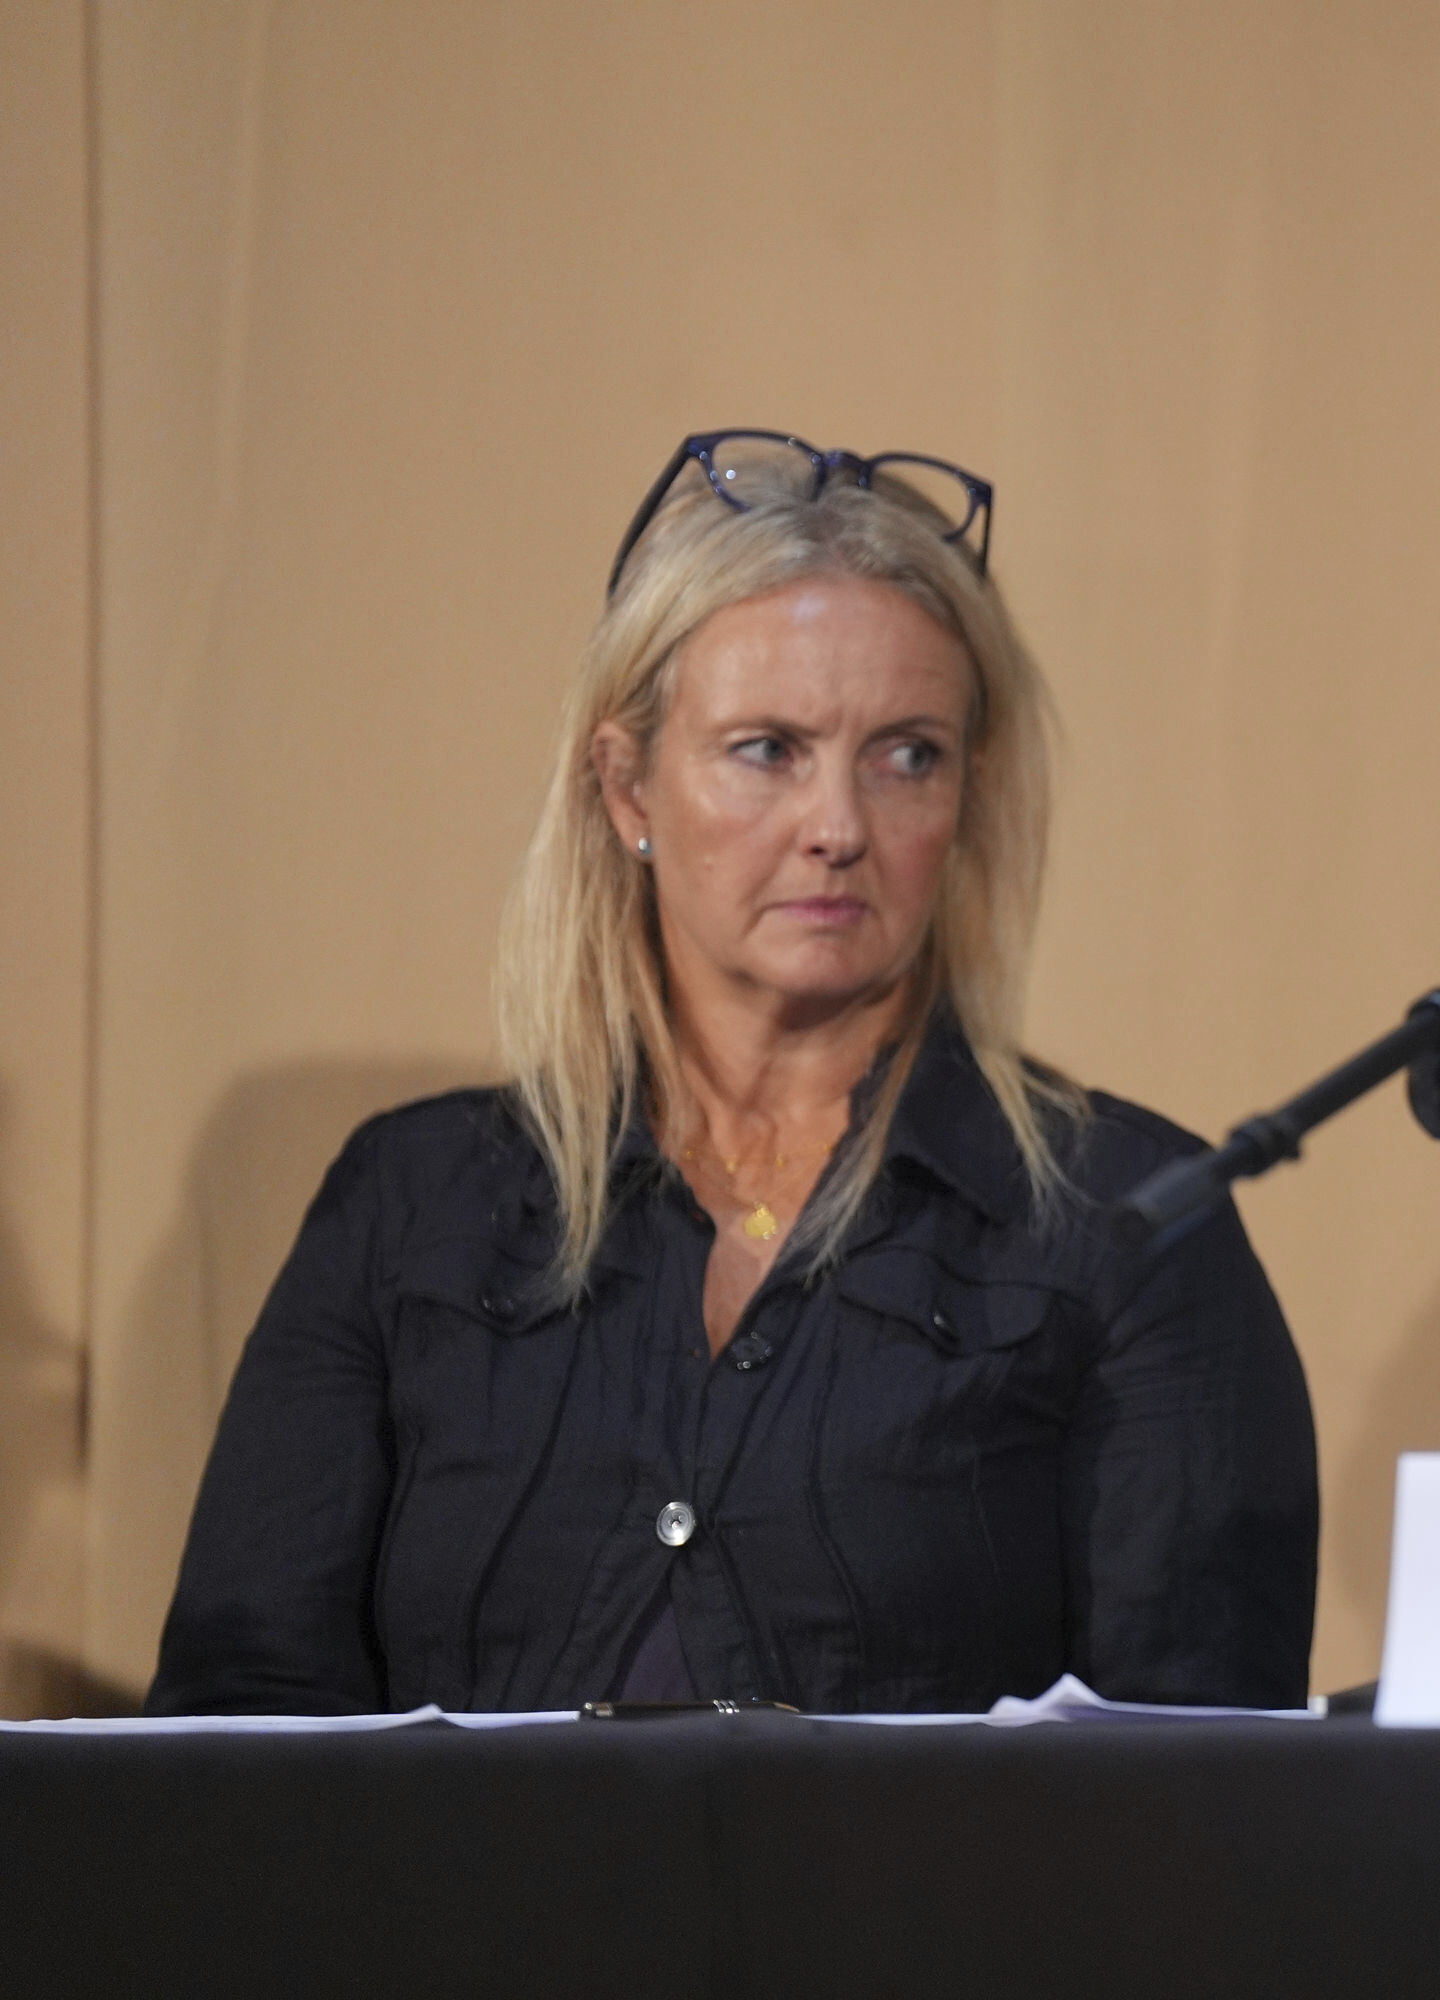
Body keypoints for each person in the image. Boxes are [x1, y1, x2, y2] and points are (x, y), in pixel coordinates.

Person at [148, 432, 1317, 1714]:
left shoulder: (1130, 1218)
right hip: (465, 1921)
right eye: (769, 747)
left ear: (968, 798)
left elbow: (1203, 1788)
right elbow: (236, 1730)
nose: (839, 825)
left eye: (908, 754)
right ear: (626, 784)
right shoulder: (410, 1201)